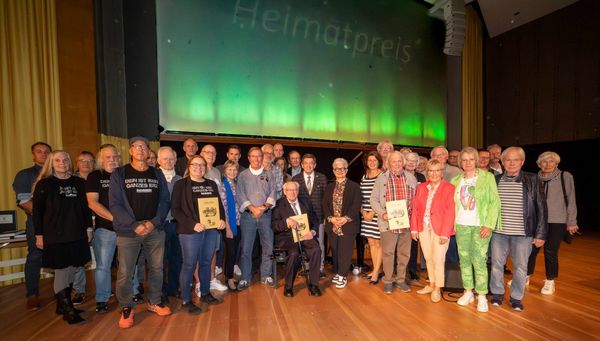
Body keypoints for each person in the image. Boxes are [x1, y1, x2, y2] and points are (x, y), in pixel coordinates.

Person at [109, 136, 172, 328]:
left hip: (154, 229)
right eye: (136, 147)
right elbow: (115, 205)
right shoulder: (119, 174)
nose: (140, 150)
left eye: (144, 147)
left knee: (157, 268)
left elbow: (164, 201)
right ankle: (127, 307)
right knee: (125, 272)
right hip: (129, 231)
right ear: (130, 151)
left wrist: (153, 223)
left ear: (148, 151)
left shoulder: (157, 174)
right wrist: (134, 225)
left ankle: (154, 301)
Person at [33, 150, 91, 324]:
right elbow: (37, 212)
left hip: (77, 233)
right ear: (51, 163)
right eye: (57, 160)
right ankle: (68, 311)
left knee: (74, 268)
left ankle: (61, 305)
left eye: (65, 159)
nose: (62, 163)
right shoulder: (44, 184)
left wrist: (88, 228)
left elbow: (85, 208)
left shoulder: (79, 182)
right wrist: (39, 235)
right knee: (61, 271)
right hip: (55, 235)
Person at [490, 146, 547, 312]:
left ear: (522, 162)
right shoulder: (495, 180)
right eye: (508, 160)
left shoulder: (532, 179)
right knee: (496, 265)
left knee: (521, 267)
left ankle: (516, 298)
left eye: (516, 160)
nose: (511, 163)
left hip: (523, 234)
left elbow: (541, 208)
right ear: (502, 162)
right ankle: (497, 294)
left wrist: (541, 233)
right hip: (498, 232)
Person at [171, 155, 226, 313]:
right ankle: (186, 300)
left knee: (206, 262)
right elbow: (175, 210)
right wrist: (193, 224)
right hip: (190, 231)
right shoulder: (181, 184)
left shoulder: (211, 184)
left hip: (210, 230)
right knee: (189, 265)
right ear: (189, 166)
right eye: (195, 165)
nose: (199, 168)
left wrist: (221, 220)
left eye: (202, 165)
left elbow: (218, 206)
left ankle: (205, 293)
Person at [450, 147, 500, 313]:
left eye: (471, 159)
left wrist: (489, 224)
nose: (468, 163)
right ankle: (468, 291)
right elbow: (452, 206)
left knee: (479, 260)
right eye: (464, 160)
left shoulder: (487, 177)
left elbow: (494, 202)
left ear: (476, 160)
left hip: (481, 225)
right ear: (460, 162)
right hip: (461, 225)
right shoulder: (456, 180)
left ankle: (482, 295)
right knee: (464, 259)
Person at [526, 151, 578, 295]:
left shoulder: (565, 176)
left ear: (556, 163)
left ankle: (550, 281)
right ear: (539, 164)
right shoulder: (534, 178)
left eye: (551, 161)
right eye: (544, 161)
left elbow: (571, 200)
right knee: (530, 250)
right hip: (538, 221)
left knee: (550, 251)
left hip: (558, 220)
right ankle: (525, 276)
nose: (547, 164)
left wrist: (572, 221)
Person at [370, 151, 417, 294]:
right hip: (388, 222)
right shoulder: (381, 179)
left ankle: (401, 279)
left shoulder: (411, 178)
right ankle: (388, 280)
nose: (396, 164)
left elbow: (416, 201)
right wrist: (382, 213)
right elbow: (373, 199)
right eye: (393, 161)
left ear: (402, 162)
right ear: (388, 163)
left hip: (406, 223)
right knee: (388, 253)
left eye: (398, 161)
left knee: (404, 253)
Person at [410, 159, 456, 302]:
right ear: (427, 172)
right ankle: (431, 284)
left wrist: (445, 233)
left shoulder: (449, 188)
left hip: (441, 228)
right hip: (424, 227)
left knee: (438, 259)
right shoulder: (422, 187)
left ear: (441, 172)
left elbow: (451, 211)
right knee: (428, 257)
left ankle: (437, 288)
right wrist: (414, 228)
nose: (434, 173)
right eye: (431, 170)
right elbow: (416, 209)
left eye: (437, 170)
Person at [13, 141, 51, 309]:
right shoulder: (25, 175)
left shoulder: (57, 173)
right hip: (37, 224)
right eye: (39, 151)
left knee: (62, 256)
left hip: (60, 225)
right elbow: (24, 201)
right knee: (35, 257)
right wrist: (44, 218)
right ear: (33, 155)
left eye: (46, 151)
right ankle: (32, 294)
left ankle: (64, 293)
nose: (43, 154)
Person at [271, 181, 322, 297]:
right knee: (293, 254)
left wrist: (313, 231)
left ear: (298, 191)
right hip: (288, 238)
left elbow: (314, 219)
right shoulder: (279, 205)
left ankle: (314, 285)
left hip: (306, 235)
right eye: (289, 190)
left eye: (295, 190)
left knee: (316, 250)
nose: (292, 193)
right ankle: (288, 286)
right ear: (284, 192)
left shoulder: (305, 202)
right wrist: (286, 222)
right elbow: (274, 226)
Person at [236, 147, 277, 290]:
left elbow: (273, 192)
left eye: (259, 156)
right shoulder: (242, 175)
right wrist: (253, 208)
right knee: (246, 249)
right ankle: (245, 278)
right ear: (248, 158)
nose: (256, 159)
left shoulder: (270, 174)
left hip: (266, 216)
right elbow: (240, 194)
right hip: (248, 216)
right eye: (253, 156)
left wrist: (264, 207)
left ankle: (266, 275)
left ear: (262, 157)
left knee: (268, 247)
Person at [87, 144, 120, 313]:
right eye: (108, 157)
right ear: (101, 159)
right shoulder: (95, 176)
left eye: (115, 157)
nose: (112, 160)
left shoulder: (124, 174)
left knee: (130, 265)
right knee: (103, 266)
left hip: (126, 230)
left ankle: (133, 292)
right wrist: (115, 219)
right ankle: (102, 298)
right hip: (106, 229)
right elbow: (92, 202)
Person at [323, 158, 362, 289]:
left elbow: (356, 205)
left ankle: (343, 275)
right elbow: (325, 205)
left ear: (347, 170)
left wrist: (345, 219)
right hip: (333, 224)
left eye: (342, 168)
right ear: (333, 170)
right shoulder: (329, 187)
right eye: (337, 169)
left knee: (345, 251)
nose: (340, 171)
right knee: (335, 250)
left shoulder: (355, 187)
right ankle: (338, 273)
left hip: (348, 224)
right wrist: (331, 218)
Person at [292, 153, 328, 277]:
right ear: (302, 165)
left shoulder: (322, 178)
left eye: (311, 163)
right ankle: (306, 267)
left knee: (320, 243)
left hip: (319, 217)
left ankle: (320, 268)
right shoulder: (296, 179)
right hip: (303, 218)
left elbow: (325, 199)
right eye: (305, 163)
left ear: (315, 165)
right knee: (305, 243)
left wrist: (325, 217)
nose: (308, 165)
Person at [156, 146, 183, 301]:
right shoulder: (154, 178)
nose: (168, 161)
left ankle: (173, 288)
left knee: (176, 258)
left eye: (171, 158)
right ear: (159, 160)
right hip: (159, 225)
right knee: (159, 261)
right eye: (165, 158)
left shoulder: (181, 179)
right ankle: (161, 291)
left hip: (177, 224)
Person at [71, 150, 96, 305]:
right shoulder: (71, 181)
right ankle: (79, 290)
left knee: (102, 260)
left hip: (100, 222)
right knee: (78, 259)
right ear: (77, 163)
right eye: (82, 161)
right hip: (78, 224)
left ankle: (103, 288)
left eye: (89, 161)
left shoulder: (99, 178)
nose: (86, 164)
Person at [359, 151, 384, 284]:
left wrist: (372, 213)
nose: (372, 163)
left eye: (375, 160)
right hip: (366, 215)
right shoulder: (365, 176)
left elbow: (382, 197)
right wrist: (363, 212)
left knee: (378, 244)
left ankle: (376, 273)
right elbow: (360, 196)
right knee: (372, 243)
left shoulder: (383, 175)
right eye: (370, 160)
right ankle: (376, 269)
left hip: (377, 215)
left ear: (379, 161)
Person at [219, 160, 242, 290]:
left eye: (234, 170)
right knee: (231, 252)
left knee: (235, 251)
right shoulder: (223, 186)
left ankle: (231, 275)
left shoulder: (237, 184)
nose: (232, 172)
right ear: (225, 171)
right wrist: (227, 227)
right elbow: (223, 208)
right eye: (229, 170)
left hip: (239, 223)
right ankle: (228, 278)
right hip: (229, 224)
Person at [404, 152, 427, 281]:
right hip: (402, 215)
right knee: (400, 243)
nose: (411, 163)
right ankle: (398, 269)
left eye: (414, 161)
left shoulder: (421, 177)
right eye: (408, 160)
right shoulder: (399, 175)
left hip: (416, 215)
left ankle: (412, 270)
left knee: (414, 243)